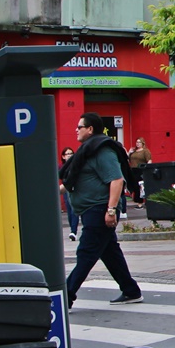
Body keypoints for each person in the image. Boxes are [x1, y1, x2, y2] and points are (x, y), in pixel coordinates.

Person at [62, 112, 142, 307]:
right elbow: (81, 180)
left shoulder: (102, 150)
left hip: (98, 210)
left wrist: (111, 210)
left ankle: (66, 296)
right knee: (109, 252)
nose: (76, 130)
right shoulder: (89, 150)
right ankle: (130, 290)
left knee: (86, 254)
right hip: (93, 210)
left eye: (79, 127)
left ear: (90, 129)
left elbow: (116, 180)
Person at [58, 147, 80, 241]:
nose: (70, 155)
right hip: (66, 190)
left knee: (74, 210)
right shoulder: (61, 167)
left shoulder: (76, 165)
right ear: (63, 156)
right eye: (67, 154)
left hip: (75, 189)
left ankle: (73, 231)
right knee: (69, 209)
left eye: (71, 153)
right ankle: (72, 229)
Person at [126, 137, 152, 206]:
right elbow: (128, 160)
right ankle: (137, 199)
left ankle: (140, 201)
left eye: (139, 142)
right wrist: (129, 153)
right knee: (134, 185)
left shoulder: (145, 151)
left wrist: (147, 168)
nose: (137, 144)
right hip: (133, 169)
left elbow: (149, 160)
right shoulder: (134, 151)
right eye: (136, 142)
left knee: (140, 185)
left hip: (141, 169)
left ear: (142, 143)